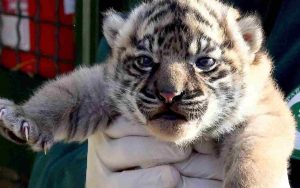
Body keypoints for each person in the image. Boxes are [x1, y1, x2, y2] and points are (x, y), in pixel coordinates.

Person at [29, 0, 300, 187]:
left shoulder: (256, 88)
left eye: (204, 63)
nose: (171, 91)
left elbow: (268, 125)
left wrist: (258, 174)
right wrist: (82, 175)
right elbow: (50, 166)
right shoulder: (152, 15)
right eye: (147, 61)